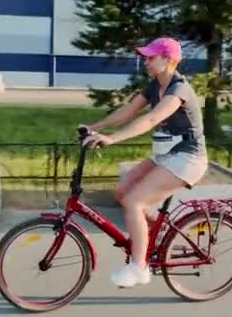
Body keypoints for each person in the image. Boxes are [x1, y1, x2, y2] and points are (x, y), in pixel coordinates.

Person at [80, 37, 208, 288]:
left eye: (151, 57)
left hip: (189, 157)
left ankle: (139, 268)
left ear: (168, 60)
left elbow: (150, 120)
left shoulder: (178, 88)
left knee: (135, 202)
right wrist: (94, 128)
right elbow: (128, 110)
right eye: (145, 57)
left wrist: (113, 139)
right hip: (168, 153)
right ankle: (152, 237)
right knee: (123, 191)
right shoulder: (154, 86)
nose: (145, 61)